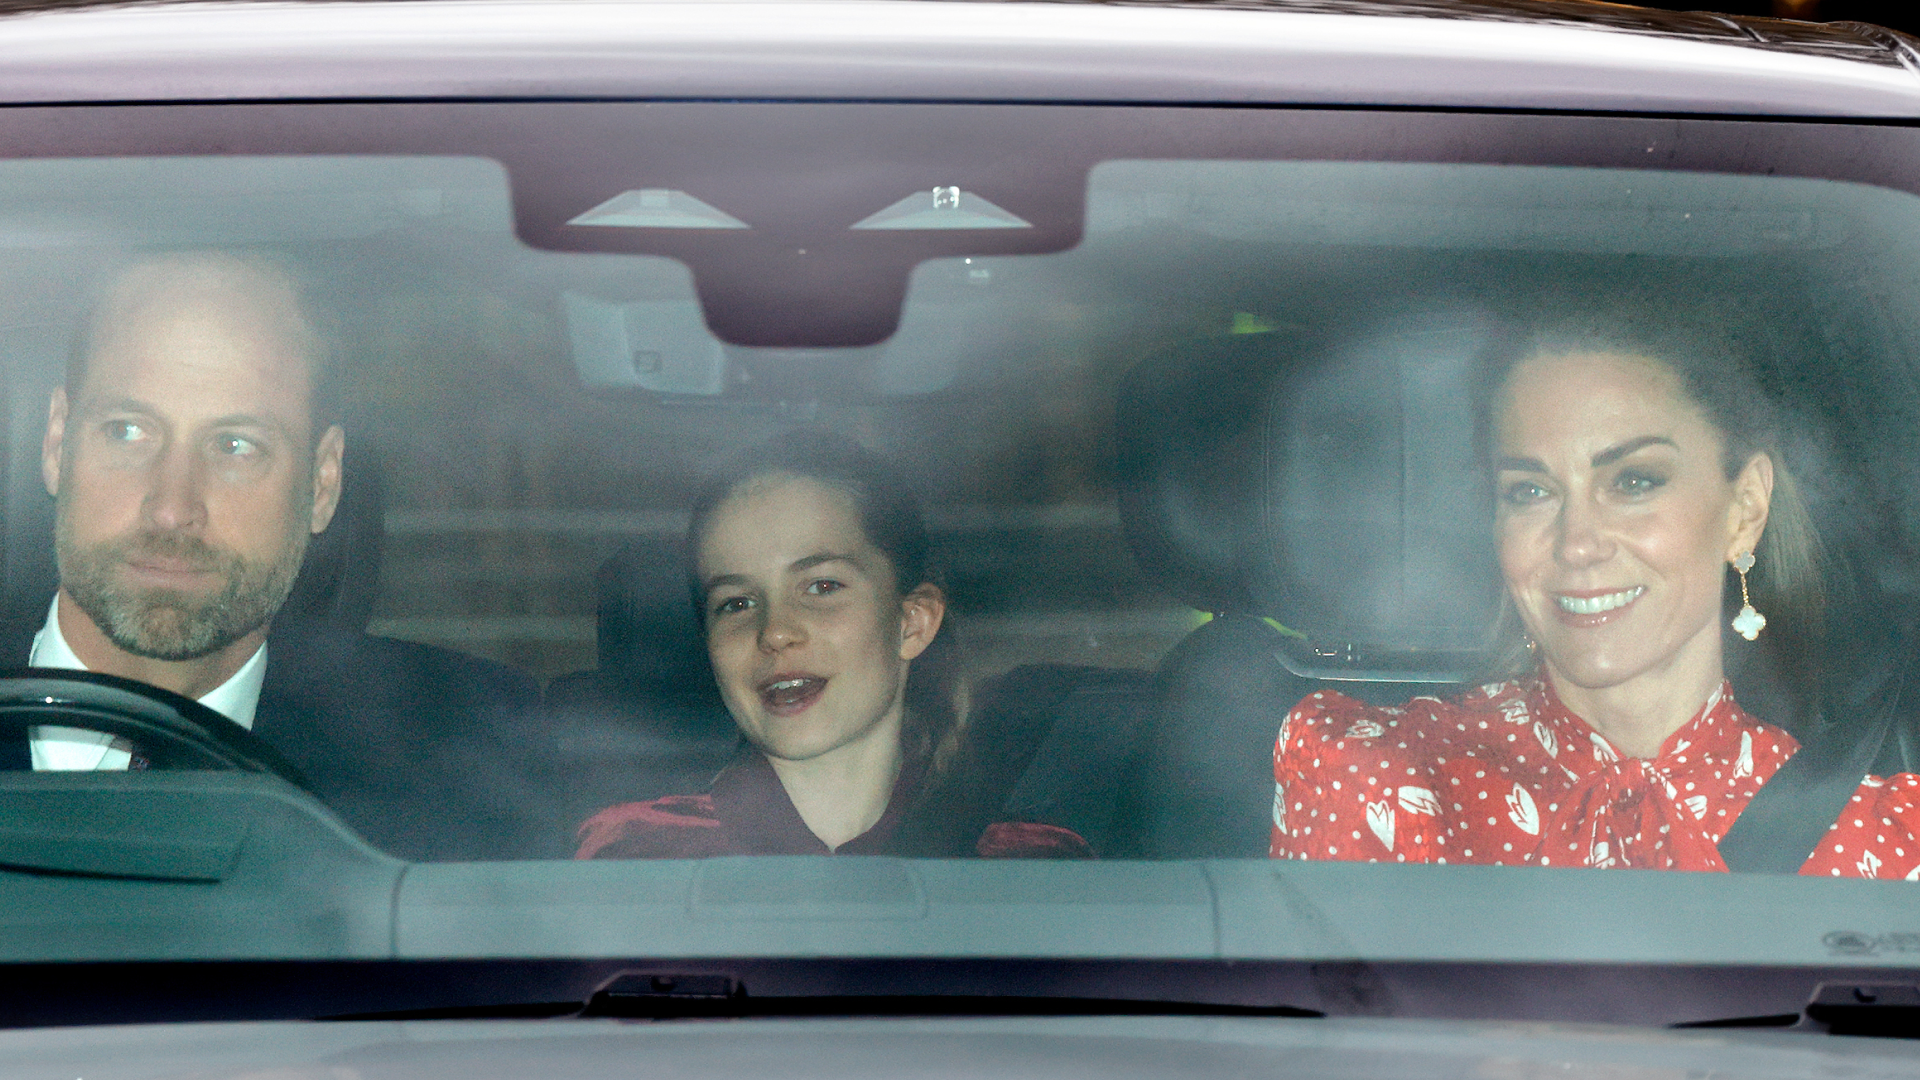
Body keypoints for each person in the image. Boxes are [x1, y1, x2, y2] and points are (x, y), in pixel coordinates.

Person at [1269, 298, 1920, 876]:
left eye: (1634, 481)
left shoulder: (1877, 843)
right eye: (1530, 492)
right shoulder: (1374, 778)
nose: (1577, 543)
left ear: (1744, 511)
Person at [0, 251, 560, 861]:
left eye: (236, 446)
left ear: (322, 484)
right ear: (57, 443)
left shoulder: (464, 752)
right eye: (127, 431)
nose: (172, 506)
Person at [575, 430, 1089, 858]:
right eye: (736, 603)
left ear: (911, 622)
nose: (775, 631)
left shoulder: (1028, 866)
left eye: (822, 587)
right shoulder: (636, 855)